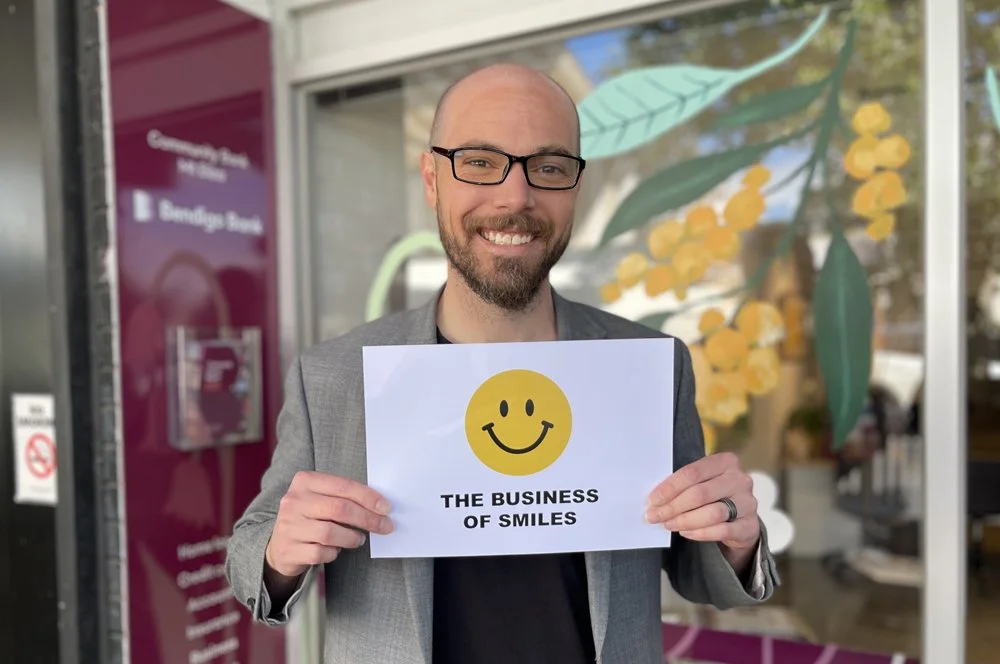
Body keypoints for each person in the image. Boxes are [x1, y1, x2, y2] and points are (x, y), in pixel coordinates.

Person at [225, 62, 779, 664]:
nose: (515, 197)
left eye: (547, 167)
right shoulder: (335, 376)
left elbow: (695, 568)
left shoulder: (647, 368)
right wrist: (281, 552)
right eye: (481, 162)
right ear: (433, 179)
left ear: (574, 187)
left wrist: (735, 535)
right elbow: (251, 559)